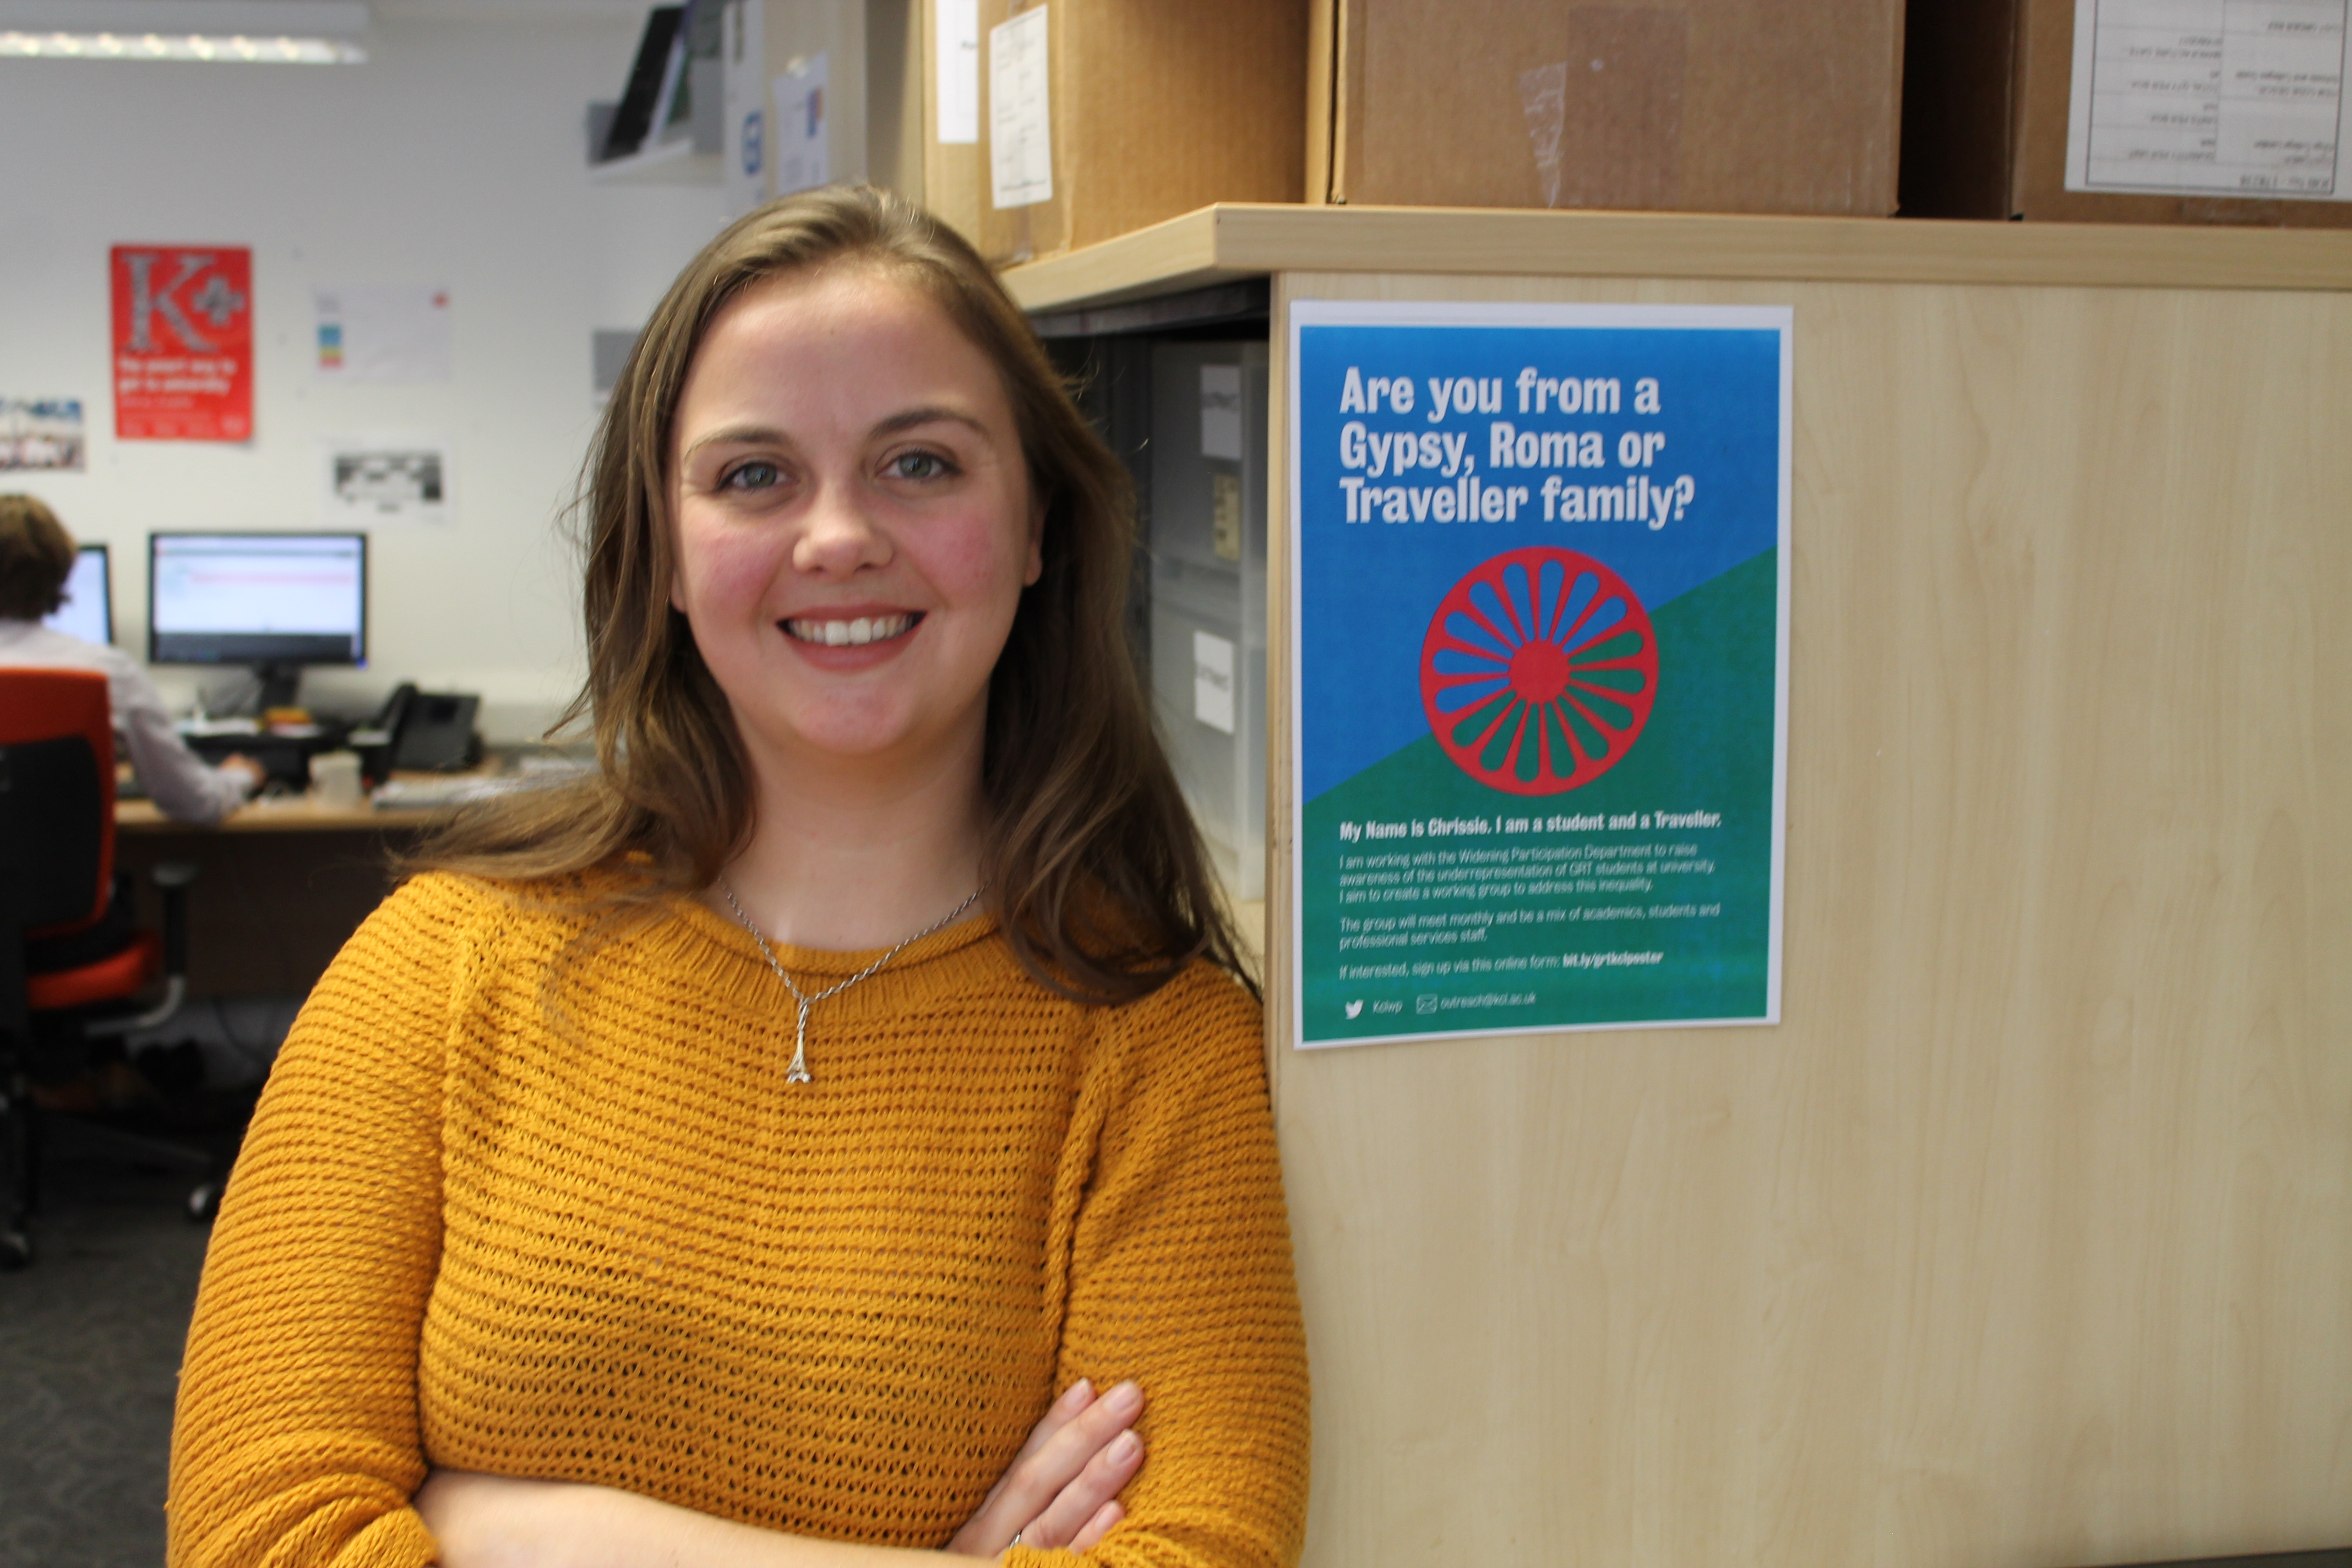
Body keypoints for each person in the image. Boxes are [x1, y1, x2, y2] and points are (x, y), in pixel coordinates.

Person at [165, 187, 1309, 1568]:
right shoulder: (442, 961)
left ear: (1035, 530)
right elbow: (257, 1537)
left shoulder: (1156, 1040)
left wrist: (517, 1525)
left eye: (923, 463)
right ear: (663, 546)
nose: (837, 538)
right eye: (753, 474)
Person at [0, 493, 262, 824]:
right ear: (61, 571)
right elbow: (196, 804)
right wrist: (241, 777)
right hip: (67, 874)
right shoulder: (107, 673)